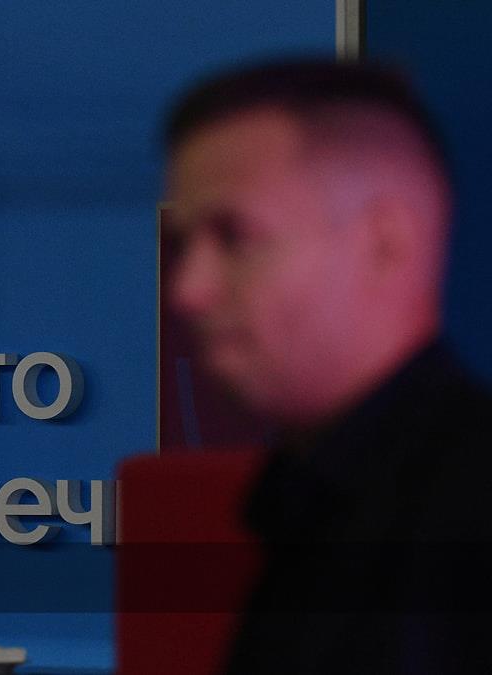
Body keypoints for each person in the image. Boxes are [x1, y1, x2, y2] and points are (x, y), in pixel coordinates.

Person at [163, 60, 492, 674]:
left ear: (385, 243)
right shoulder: (300, 507)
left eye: (234, 238)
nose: (188, 291)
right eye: (185, 245)